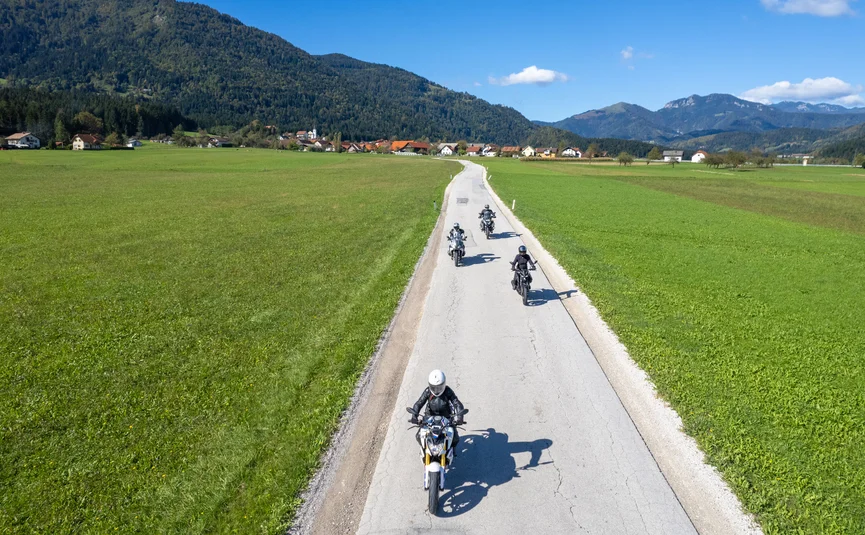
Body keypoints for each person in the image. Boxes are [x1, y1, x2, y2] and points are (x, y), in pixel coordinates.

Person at [411, 369, 465, 453]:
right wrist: (414, 416)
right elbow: (419, 403)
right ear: (429, 385)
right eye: (434, 387)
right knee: (418, 436)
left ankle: (451, 449)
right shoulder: (428, 391)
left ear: (444, 384)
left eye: (439, 387)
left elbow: (457, 403)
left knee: (455, 438)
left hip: (446, 417)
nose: (436, 390)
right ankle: (424, 448)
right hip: (429, 416)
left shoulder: (448, 391)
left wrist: (460, 417)